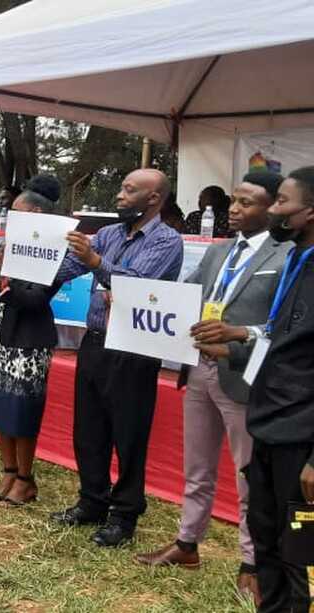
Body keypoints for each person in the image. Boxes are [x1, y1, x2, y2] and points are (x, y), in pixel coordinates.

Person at [135, 172, 288, 605]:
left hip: (245, 378)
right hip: (199, 370)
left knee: (248, 477)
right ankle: (187, 544)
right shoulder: (219, 251)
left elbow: (284, 324)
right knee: (197, 466)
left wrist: (238, 338)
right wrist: (138, 299)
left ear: (274, 208)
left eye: (247, 203)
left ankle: (252, 563)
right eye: (233, 201)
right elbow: (186, 297)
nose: (234, 209)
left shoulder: (287, 256)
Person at [197, 166, 314, 613]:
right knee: (266, 537)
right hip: (266, 419)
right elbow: (280, 338)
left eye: (283, 203)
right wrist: (237, 341)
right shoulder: (297, 261)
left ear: (309, 212)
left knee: (294, 548)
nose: (276, 211)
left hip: (298, 432)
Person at [49, 168, 183, 547]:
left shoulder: (167, 241)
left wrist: (95, 261)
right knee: (88, 428)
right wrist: (36, 257)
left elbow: (135, 284)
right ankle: (92, 501)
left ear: (153, 199)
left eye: (129, 190)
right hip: (95, 342)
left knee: (129, 432)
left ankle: (124, 514)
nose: (120, 196)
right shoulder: (107, 234)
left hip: (134, 348)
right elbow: (69, 268)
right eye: (122, 188)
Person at [0, 176, 65, 505]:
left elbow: (36, 300)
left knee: (22, 411)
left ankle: (26, 479)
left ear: (38, 215)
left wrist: (5, 281)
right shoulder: (7, 246)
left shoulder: (54, 252)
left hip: (29, 342)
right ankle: (9, 471)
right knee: (0, 406)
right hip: (0, 336)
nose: (10, 219)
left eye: (18, 213)